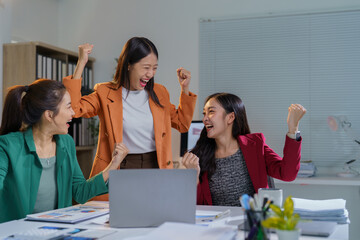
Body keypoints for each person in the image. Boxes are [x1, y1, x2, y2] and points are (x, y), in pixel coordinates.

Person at [63, 37, 197, 201]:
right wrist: (81, 64)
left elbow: (182, 124)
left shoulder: (159, 92)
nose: (150, 74)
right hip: (120, 166)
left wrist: (185, 89)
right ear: (128, 65)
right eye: (146, 67)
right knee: (116, 220)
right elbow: (75, 109)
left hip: (155, 166)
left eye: (154, 68)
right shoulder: (105, 92)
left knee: (154, 217)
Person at [0, 79, 129, 223]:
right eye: (68, 107)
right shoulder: (7, 146)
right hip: (18, 232)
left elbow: (80, 192)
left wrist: (113, 164)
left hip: (56, 228)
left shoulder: (66, 143)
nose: (73, 113)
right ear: (49, 115)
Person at [182, 93, 306, 206]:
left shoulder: (254, 146)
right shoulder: (198, 157)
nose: (205, 119)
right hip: (216, 225)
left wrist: (293, 129)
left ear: (230, 117)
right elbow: (197, 207)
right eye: (204, 113)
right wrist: (194, 178)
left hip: (251, 223)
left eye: (211, 112)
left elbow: (287, 174)